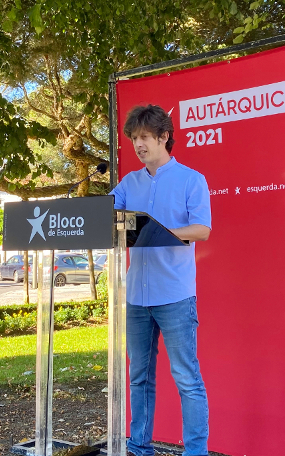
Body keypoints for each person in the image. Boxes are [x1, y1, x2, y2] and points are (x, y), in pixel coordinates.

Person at [110, 104, 212, 456]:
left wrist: (165, 233)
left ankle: (195, 452)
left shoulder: (191, 179)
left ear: (164, 137)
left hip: (175, 296)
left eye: (143, 138)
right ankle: (139, 448)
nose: (137, 145)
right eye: (133, 139)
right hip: (136, 296)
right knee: (139, 378)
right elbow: (103, 215)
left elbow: (202, 229)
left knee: (187, 378)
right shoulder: (128, 183)